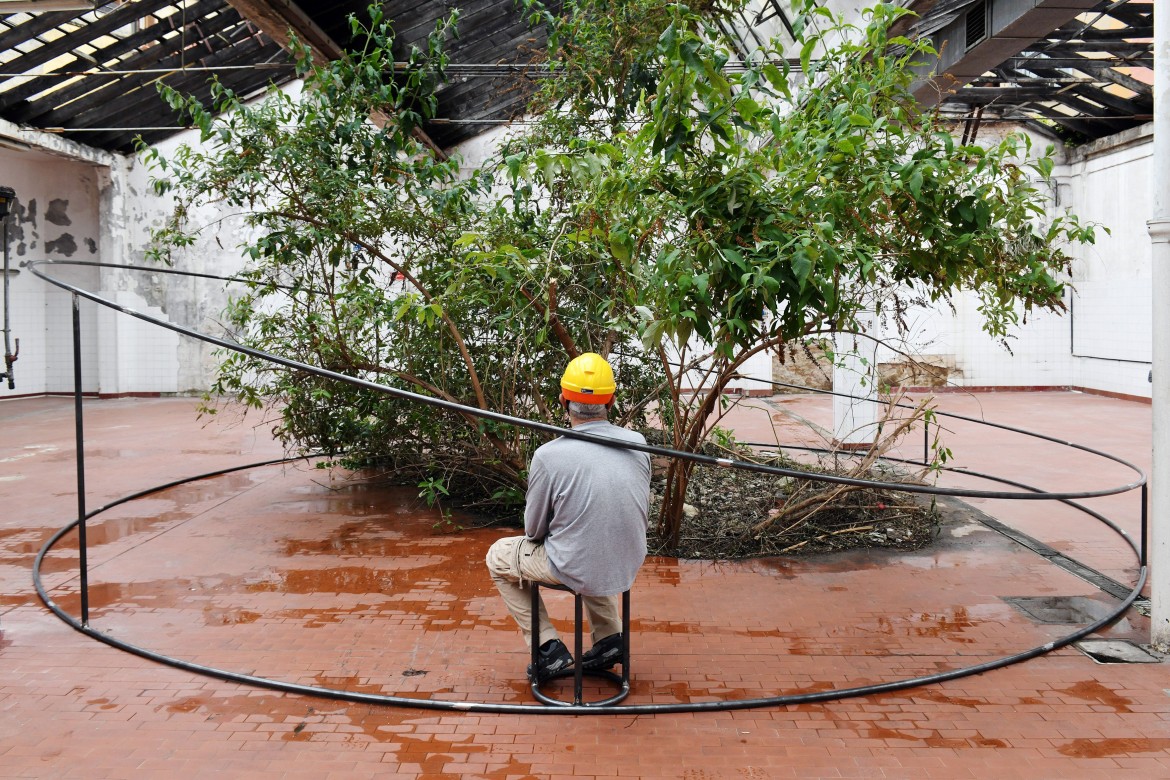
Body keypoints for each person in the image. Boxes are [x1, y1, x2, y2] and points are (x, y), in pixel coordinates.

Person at [486, 352, 651, 681]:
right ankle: (609, 638)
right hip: (627, 560)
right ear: (612, 400)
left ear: (563, 400)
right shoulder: (639, 442)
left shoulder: (549, 455)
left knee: (498, 557)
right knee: (589, 541)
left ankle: (547, 648)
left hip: (580, 563)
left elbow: (532, 530)